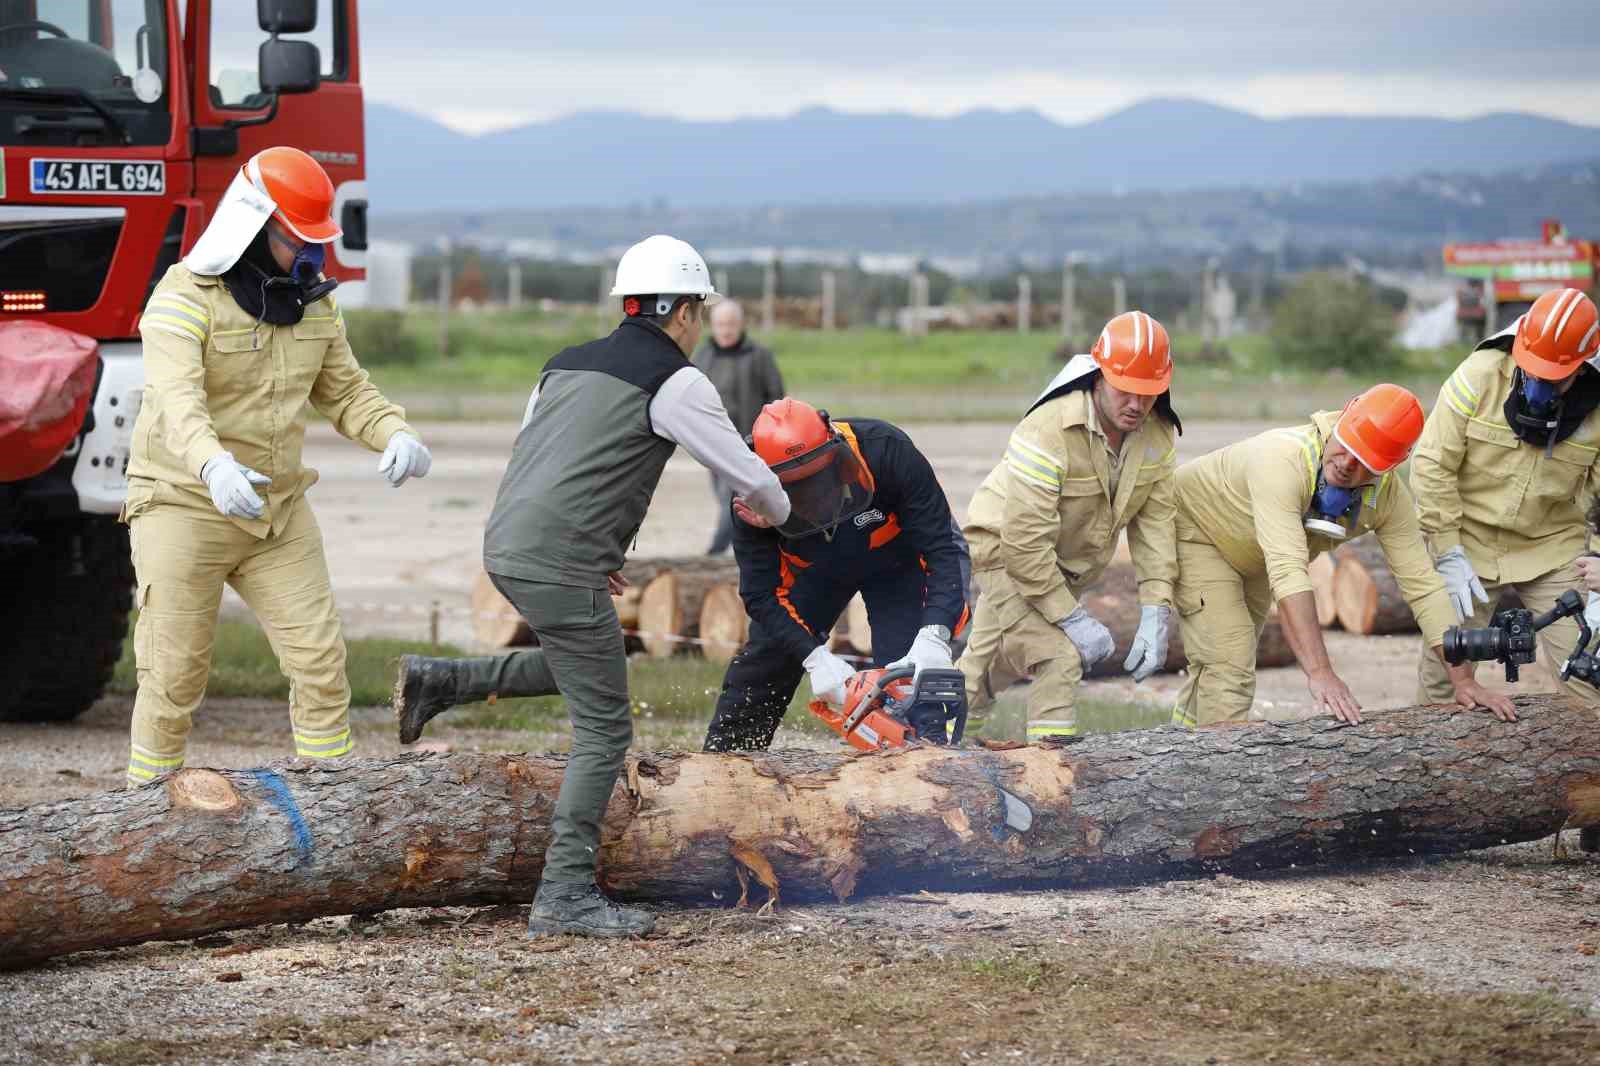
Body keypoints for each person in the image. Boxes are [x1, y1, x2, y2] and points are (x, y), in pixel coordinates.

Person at [392, 235, 790, 938]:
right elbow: (751, 476)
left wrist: (585, 541)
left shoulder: (561, 365)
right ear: (685, 314)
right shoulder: (676, 379)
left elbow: (541, 454)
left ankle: (443, 681)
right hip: (557, 557)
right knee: (605, 728)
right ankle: (564, 894)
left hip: (508, 542)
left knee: (590, 664)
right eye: (697, 311)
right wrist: (787, 513)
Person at [122, 147, 431, 788]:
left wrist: (395, 432)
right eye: (298, 240)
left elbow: (346, 392)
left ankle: (331, 807)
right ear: (256, 226)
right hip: (183, 504)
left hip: (277, 511)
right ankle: (145, 814)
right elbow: (177, 403)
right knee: (173, 675)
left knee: (321, 663)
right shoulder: (183, 299)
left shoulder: (313, 304)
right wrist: (213, 467)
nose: (309, 256)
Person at [1169, 384, 1514, 728]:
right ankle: (1215, 774)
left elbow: (1423, 586)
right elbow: (1289, 573)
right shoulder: (1282, 460)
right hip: (1198, 533)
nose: (1347, 465)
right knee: (1230, 661)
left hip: (1251, 550)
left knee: (1218, 662)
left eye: (1364, 462)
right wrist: (1320, 673)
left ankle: (1179, 748)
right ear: (1342, 420)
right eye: (1347, 446)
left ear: (1389, 467)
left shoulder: (1390, 498)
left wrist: (1463, 680)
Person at [699, 398, 970, 751]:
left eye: (820, 481)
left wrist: (934, 634)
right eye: (798, 491)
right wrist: (816, 658)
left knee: (909, 685)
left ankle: (927, 768)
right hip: (814, 571)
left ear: (837, 456)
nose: (816, 497)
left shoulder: (886, 450)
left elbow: (941, 549)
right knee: (762, 669)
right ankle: (726, 766)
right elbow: (761, 595)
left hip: (897, 563)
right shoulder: (750, 501)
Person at [959, 311, 1180, 741]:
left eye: (1149, 393)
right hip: (1005, 550)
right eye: (1126, 391)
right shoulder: (1049, 428)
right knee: (1059, 655)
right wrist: (1073, 620)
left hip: (1062, 565)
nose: (1136, 404)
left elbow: (1154, 527)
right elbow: (1023, 546)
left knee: (988, 661)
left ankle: (932, 751)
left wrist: (1156, 608)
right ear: (1100, 374)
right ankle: (1053, 779)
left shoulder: (1158, 436)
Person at [1412, 287, 1600, 709]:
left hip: (1551, 547)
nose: (1541, 382)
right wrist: (1446, 550)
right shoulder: (1478, 374)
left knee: (1587, 672)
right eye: (1533, 369)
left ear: (1583, 366)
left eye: (1556, 376)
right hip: (1468, 542)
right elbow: (1432, 464)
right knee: (1443, 675)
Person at [694, 300, 785, 555]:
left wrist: (765, 435)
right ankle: (749, 545)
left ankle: (714, 552)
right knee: (726, 499)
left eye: (731, 324)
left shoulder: (759, 355)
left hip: (747, 443)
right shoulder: (702, 356)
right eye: (721, 324)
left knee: (730, 498)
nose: (726, 330)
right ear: (712, 325)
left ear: (741, 324)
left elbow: (776, 397)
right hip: (711, 442)